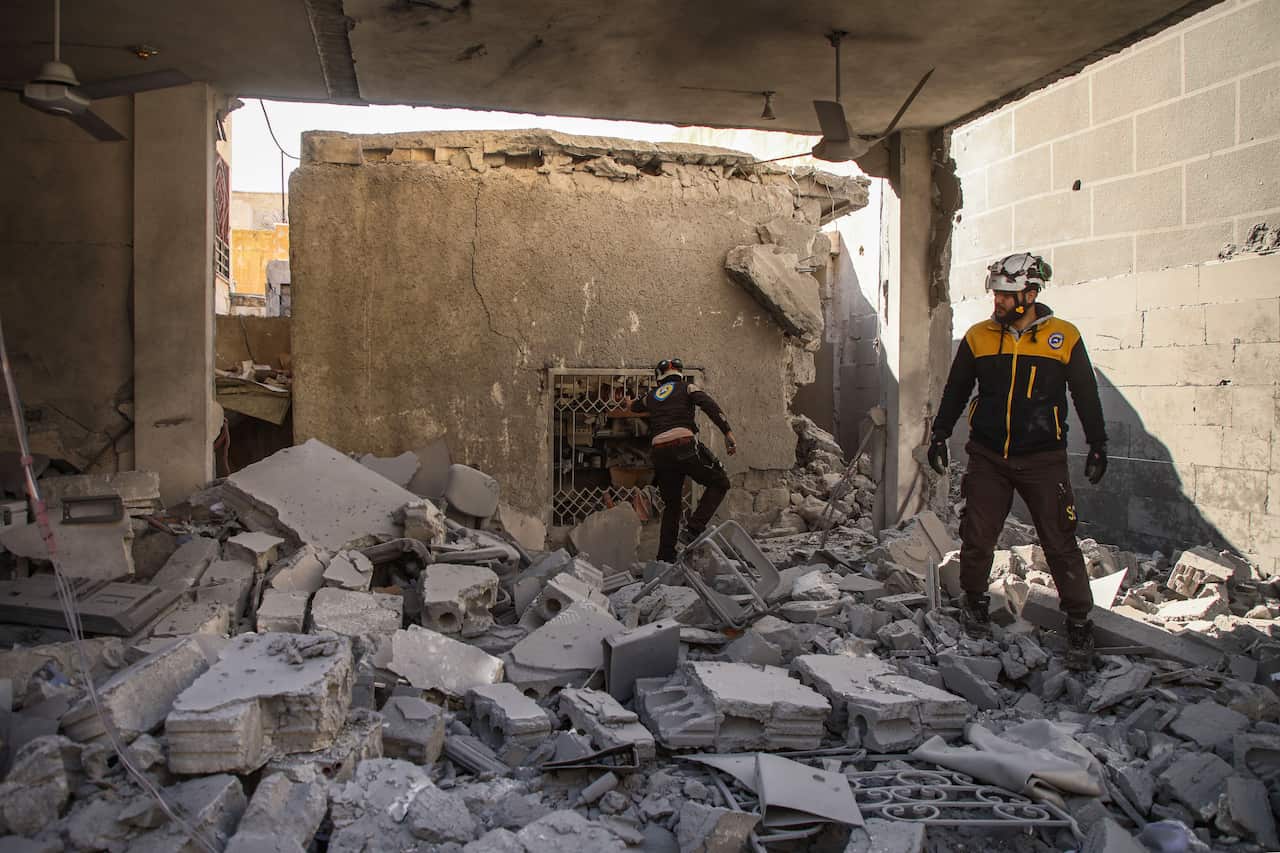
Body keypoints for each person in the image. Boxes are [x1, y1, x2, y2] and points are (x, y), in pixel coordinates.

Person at [927, 252, 1108, 670]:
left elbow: (1085, 395)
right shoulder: (979, 337)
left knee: (1059, 541)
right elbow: (956, 390)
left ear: (1030, 293)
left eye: (1007, 296)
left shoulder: (1064, 337)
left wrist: (1098, 444)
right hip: (988, 455)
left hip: (1044, 460)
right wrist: (939, 434)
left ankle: (1079, 621)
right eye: (996, 294)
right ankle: (974, 603)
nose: (998, 302)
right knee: (977, 534)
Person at [625, 358, 736, 562]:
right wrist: (727, 432)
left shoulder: (651, 396)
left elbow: (634, 406)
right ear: (680, 374)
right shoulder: (687, 388)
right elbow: (709, 405)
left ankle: (665, 557)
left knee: (672, 506)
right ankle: (693, 529)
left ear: (659, 378)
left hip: (660, 453)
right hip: (684, 445)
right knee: (720, 483)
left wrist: (628, 402)